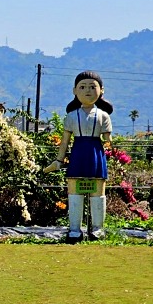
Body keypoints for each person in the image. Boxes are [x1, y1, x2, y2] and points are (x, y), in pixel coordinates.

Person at [43, 70, 113, 242]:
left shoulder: (104, 116)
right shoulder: (71, 116)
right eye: (82, 87)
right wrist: (59, 160)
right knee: (75, 192)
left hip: (97, 156)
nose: (87, 90)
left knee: (98, 193)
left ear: (101, 90)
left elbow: (108, 141)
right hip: (78, 155)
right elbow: (65, 142)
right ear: (74, 91)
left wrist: (111, 149)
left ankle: (98, 229)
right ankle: (74, 229)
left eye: (92, 87)